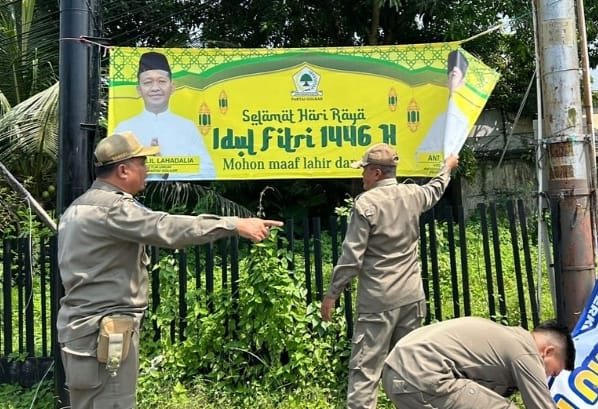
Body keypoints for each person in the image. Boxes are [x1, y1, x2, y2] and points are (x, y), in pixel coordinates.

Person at [57, 131, 283, 409]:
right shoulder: (113, 210)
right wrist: (233, 224)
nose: (147, 170)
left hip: (83, 333)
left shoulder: (79, 207)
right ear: (123, 169)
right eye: (142, 163)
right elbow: (167, 227)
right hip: (102, 333)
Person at [320, 143, 460, 409]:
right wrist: (447, 168)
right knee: (410, 368)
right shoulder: (412, 194)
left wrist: (332, 294)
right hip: (411, 297)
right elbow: (436, 189)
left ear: (375, 173)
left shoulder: (366, 204)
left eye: (363, 171)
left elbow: (352, 258)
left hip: (378, 302)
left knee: (365, 371)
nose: (360, 176)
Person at [382, 316, 575, 409]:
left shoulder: (508, 338)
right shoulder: (526, 351)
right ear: (548, 352)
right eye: (553, 371)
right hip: (423, 375)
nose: (547, 376)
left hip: (396, 374)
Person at [114, 51, 216, 179]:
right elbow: (113, 171)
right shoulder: (124, 129)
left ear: (172, 87)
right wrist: (143, 167)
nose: (155, 88)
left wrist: (165, 170)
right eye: (148, 82)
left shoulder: (187, 127)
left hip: (178, 195)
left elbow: (209, 171)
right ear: (139, 90)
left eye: (162, 81)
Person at [415, 50, 472, 160]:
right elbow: (419, 152)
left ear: (462, 83)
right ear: (446, 82)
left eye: (455, 76)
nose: (452, 80)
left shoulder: (461, 119)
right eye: (450, 76)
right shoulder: (437, 115)